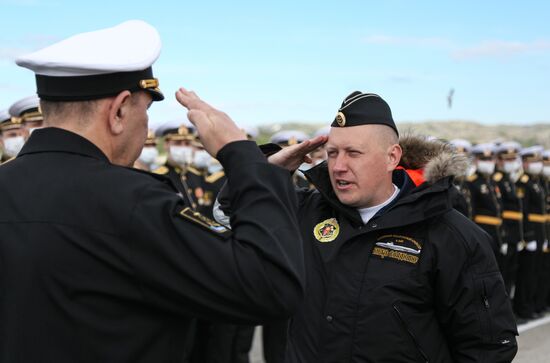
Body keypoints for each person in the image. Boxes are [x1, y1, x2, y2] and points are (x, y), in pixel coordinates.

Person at [0, 20, 306, 362]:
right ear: (118, 111)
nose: (144, 125)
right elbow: (270, 286)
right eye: (145, 110)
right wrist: (242, 156)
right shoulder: (130, 202)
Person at [216, 91, 518, 362]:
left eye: (353, 153)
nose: (337, 166)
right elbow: (227, 216)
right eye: (332, 153)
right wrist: (268, 173)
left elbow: (487, 349)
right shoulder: (306, 210)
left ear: (392, 157)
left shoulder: (450, 235)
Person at [515, 146, 548, 319]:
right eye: (532, 162)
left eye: (538, 162)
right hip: (532, 232)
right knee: (527, 273)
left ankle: (534, 304)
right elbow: (524, 211)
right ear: (525, 163)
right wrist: (527, 235)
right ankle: (523, 307)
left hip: (541, 231)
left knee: (537, 271)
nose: (537, 165)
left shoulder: (537, 182)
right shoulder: (524, 182)